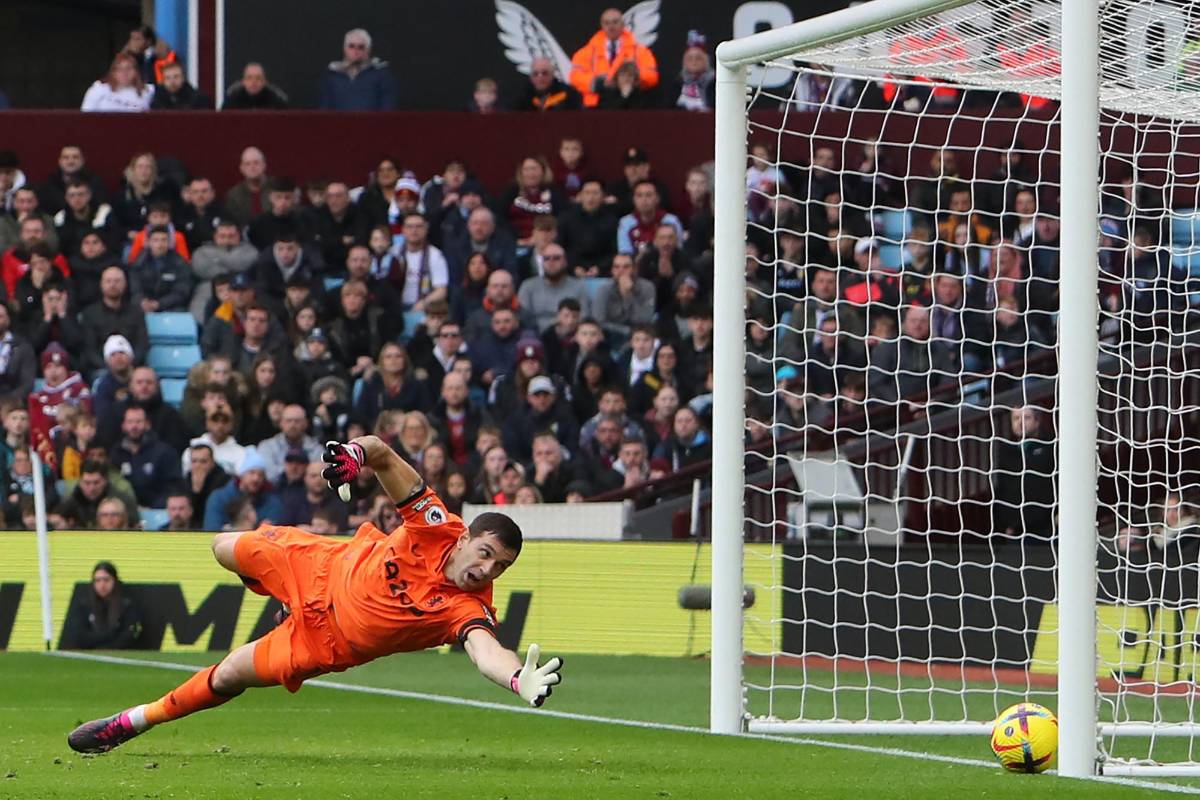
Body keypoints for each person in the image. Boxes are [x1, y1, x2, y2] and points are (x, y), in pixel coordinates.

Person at [68, 436, 564, 753]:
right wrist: (353, 455)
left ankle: (130, 723)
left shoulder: (469, 607)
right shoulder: (436, 523)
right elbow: (383, 453)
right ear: (463, 538)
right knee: (223, 547)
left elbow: (485, 653)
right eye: (484, 553)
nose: (486, 568)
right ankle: (281, 595)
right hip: (320, 567)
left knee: (228, 677)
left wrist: (518, 679)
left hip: (322, 643)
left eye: (500, 566)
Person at [569, 7, 659, 108]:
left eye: (615, 22)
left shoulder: (640, 51)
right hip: (596, 105)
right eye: (607, 23)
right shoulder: (585, 53)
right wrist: (596, 83)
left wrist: (633, 78)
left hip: (628, 103)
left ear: (622, 24)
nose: (611, 26)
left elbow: (652, 75)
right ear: (601, 25)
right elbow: (575, 77)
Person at [79, 267, 148, 375]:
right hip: (101, 369)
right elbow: (89, 349)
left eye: (117, 281)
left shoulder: (136, 313)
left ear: (125, 284)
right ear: (101, 285)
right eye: (108, 281)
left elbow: (142, 345)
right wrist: (110, 367)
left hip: (132, 369)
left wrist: (128, 365)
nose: (113, 285)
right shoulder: (89, 314)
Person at [60, 562, 143, 649]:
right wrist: (111, 635)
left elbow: (129, 634)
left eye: (106, 580)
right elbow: (78, 635)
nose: (102, 585)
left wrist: (109, 647)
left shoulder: (127, 605)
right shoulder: (84, 605)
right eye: (98, 580)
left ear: (115, 581)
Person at [112, 405, 181, 508]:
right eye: (130, 422)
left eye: (138, 422)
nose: (134, 427)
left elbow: (173, 486)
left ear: (147, 424)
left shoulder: (164, 452)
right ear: (123, 425)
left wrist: (154, 507)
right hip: (125, 512)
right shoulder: (116, 453)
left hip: (157, 510)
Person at [319, 28, 397, 110]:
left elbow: (388, 111)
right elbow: (324, 110)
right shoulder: (332, 75)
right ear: (344, 48)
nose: (355, 51)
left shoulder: (382, 75)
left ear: (368, 50)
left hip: (372, 122)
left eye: (361, 47)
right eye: (351, 46)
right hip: (339, 122)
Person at [81, 53, 154, 112]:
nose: (124, 73)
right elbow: (85, 115)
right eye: (119, 69)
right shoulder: (99, 88)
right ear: (113, 72)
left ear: (136, 71)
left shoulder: (148, 90)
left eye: (128, 68)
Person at [223, 147, 270, 228]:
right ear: (241, 168)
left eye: (256, 163)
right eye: (247, 164)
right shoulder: (234, 195)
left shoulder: (277, 189)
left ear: (264, 165)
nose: (252, 167)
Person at [669, 33, 715, 111]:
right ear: (684, 62)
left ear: (706, 62)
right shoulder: (677, 84)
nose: (694, 62)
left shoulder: (714, 83)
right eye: (690, 58)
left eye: (698, 58)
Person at [516, 58, 582, 111]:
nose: (540, 77)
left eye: (545, 73)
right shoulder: (523, 96)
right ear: (531, 77)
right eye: (535, 74)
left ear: (552, 75)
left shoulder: (568, 94)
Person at [223, 63, 289, 110]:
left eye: (258, 78)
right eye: (249, 78)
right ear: (244, 81)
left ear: (264, 82)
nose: (254, 82)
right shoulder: (232, 102)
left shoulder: (276, 102)